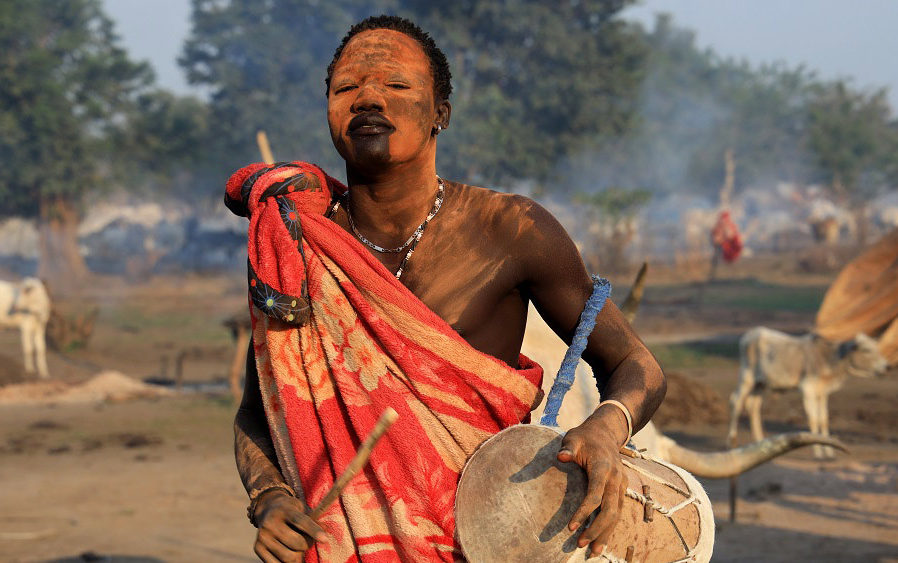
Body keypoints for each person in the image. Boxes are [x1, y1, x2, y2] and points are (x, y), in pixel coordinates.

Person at [233, 15, 666, 563]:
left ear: (440, 113)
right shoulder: (293, 247)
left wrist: (607, 428)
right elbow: (256, 411)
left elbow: (635, 363)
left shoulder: (513, 230)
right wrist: (268, 497)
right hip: (340, 547)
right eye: (346, 88)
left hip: (489, 537)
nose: (368, 98)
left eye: (396, 85)